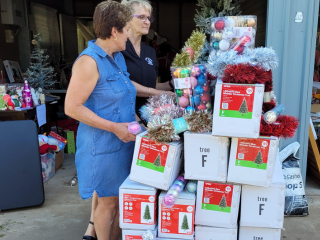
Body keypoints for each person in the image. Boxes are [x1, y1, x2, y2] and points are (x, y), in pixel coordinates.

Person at [65, 1, 164, 240]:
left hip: (124, 141)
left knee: (120, 201)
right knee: (107, 204)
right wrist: (114, 127)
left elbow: (125, 91)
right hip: (103, 146)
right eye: (126, 30)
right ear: (114, 31)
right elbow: (72, 108)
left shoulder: (116, 57)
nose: (129, 36)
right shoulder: (89, 62)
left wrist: (141, 121)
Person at [121, 0, 174, 122]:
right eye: (141, 17)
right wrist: (158, 93)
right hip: (126, 118)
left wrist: (170, 84)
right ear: (127, 19)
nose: (147, 22)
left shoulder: (149, 51)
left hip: (149, 116)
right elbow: (123, 84)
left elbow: (149, 84)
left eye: (149, 18)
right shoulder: (119, 48)